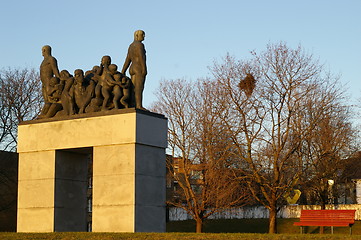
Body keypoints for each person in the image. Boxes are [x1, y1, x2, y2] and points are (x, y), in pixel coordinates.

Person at [121, 30, 147, 110]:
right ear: (136, 36)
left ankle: (133, 104)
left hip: (132, 68)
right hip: (138, 67)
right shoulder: (140, 45)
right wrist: (144, 68)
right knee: (139, 87)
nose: (144, 37)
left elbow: (127, 59)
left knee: (133, 88)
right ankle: (139, 105)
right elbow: (141, 57)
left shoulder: (131, 46)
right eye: (142, 35)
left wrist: (123, 71)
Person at [39, 45, 60, 117]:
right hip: (44, 83)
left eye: (43, 50)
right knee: (46, 101)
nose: (42, 52)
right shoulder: (44, 61)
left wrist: (59, 81)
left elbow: (55, 70)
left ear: (45, 50)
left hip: (49, 82)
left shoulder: (51, 59)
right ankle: (44, 115)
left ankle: (48, 114)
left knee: (50, 99)